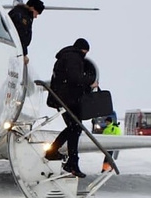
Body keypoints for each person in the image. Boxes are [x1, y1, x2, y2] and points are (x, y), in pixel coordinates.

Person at [49, 38, 97, 178]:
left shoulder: (67, 56)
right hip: (68, 99)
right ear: (82, 49)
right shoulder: (73, 57)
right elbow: (75, 78)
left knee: (74, 127)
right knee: (75, 127)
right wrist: (90, 81)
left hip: (63, 98)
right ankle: (69, 161)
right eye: (85, 52)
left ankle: (66, 159)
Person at [8, 0, 44, 65]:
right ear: (32, 8)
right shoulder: (22, 16)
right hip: (14, 49)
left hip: (15, 48)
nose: (36, 16)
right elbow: (21, 35)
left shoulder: (22, 14)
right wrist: (24, 54)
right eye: (36, 13)